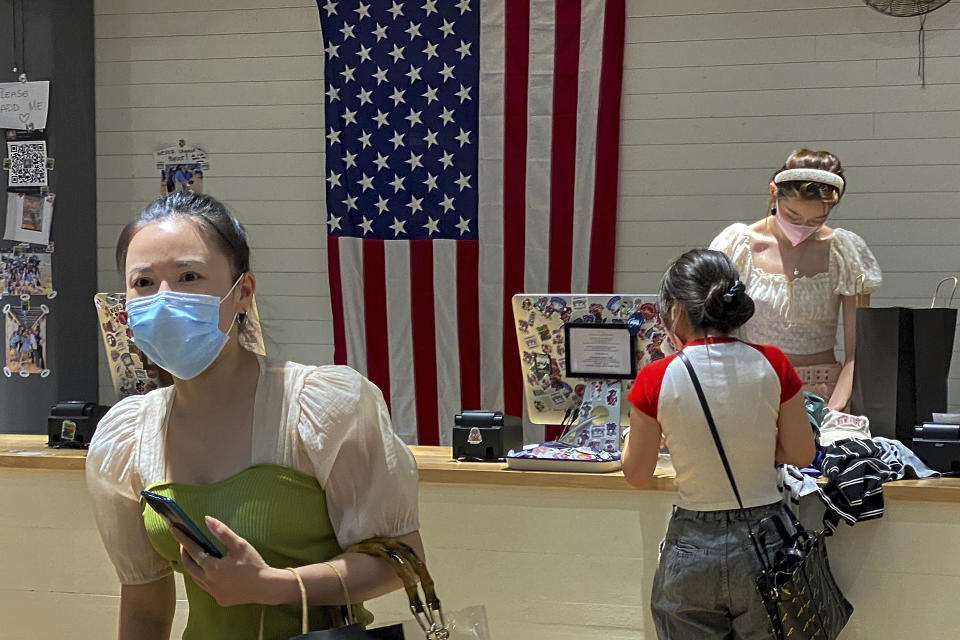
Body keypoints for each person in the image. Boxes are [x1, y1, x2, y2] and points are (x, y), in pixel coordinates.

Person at [86, 192, 422, 640]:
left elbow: (401, 561)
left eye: (189, 276)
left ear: (242, 292)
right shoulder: (126, 438)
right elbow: (145, 606)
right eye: (144, 283)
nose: (164, 299)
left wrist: (271, 586)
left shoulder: (321, 407)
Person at [621, 249, 815, 639]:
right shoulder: (773, 364)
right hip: (766, 541)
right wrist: (757, 443)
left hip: (691, 547)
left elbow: (637, 473)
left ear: (675, 310)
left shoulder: (656, 378)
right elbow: (801, 453)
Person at [709, 149, 881, 411]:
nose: (803, 226)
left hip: (823, 393)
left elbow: (857, 352)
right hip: (752, 388)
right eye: (792, 216)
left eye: (818, 219)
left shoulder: (844, 251)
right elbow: (708, 328)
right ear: (773, 192)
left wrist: (833, 411)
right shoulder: (737, 246)